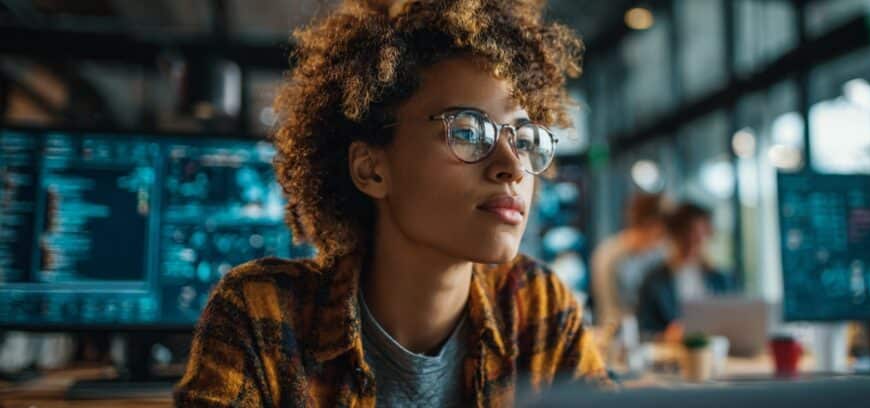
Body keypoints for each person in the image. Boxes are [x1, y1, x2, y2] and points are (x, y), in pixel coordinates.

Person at [173, 0, 613, 406]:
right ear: (371, 170)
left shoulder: (537, 306)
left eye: (523, 137)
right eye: (467, 131)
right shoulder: (263, 315)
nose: (512, 167)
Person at [635, 203, 735, 335]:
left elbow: (733, 321)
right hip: (671, 347)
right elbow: (643, 330)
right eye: (687, 235)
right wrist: (665, 335)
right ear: (675, 236)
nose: (692, 243)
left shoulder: (721, 279)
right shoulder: (654, 281)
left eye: (698, 236)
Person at [590, 193, 667, 332]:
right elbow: (606, 308)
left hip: (652, 333)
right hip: (618, 333)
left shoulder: (660, 255)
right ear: (651, 223)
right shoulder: (609, 254)